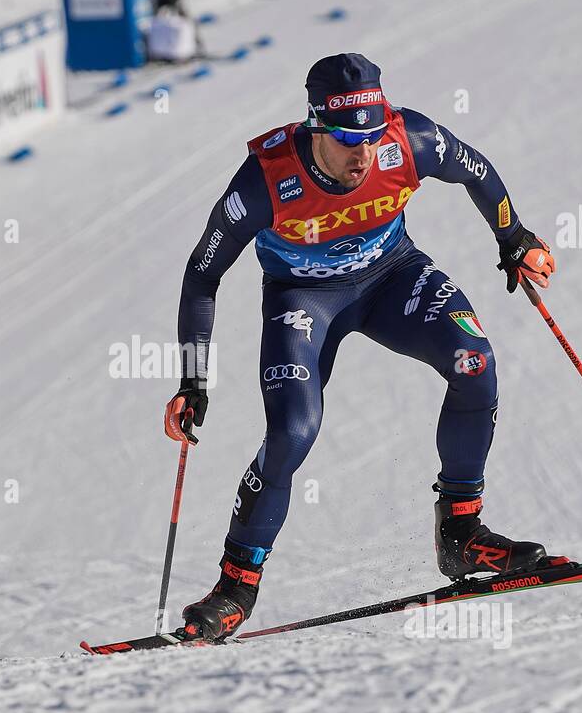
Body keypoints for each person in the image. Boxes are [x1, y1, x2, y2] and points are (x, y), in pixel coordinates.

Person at [165, 53, 556, 642]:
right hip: (304, 297)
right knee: (294, 430)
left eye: (372, 136)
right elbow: (202, 274)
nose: (365, 154)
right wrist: (193, 381)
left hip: (392, 277)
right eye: (349, 140)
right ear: (316, 127)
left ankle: (461, 532)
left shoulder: (410, 139)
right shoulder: (265, 178)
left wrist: (514, 237)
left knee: (476, 363)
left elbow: (476, 170)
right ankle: (235, 587)